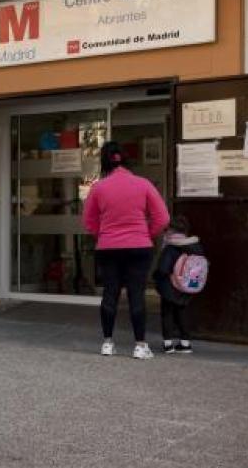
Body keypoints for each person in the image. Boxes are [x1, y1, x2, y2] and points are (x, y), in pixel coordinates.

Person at [82, 141, 169, 360]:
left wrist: (103, 236)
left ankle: (108, 343)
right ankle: (140, 345)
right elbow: (163, 218)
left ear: (104, 161)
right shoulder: (143, 183)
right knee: (136, 294)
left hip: (108, 248)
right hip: (139, 246)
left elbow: (89, 221)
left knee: (110, 293)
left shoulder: (98, 188)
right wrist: (146, 234)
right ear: (126, 160)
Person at [154, 216, 205, 354]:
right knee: (182, 313)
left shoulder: (171, 247)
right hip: (187, 286)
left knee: (167, 314)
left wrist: (156, 278)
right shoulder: (196, 247)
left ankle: (168, 344)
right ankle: (185, 343)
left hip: (170, 287)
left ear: (170, 230)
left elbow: (163, 269)